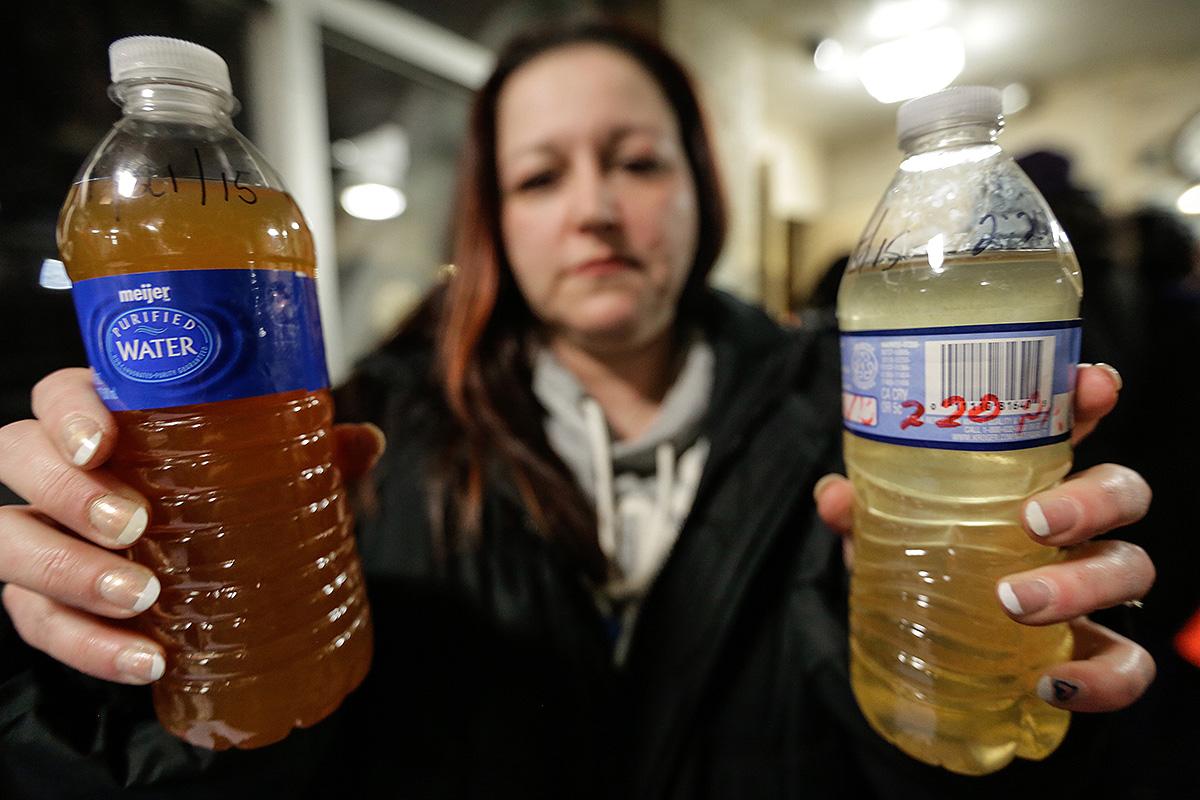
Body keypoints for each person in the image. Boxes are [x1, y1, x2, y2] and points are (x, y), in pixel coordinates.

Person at [0, 18, 1156, 799]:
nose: (596, 209)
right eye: (540, 175)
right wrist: (99, 669)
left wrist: (1053, 672)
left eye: (638, 161)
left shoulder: (873, 406)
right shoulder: (365, 439)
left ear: (701, 191)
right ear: (490, 220)